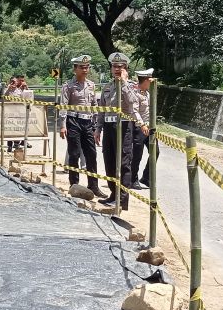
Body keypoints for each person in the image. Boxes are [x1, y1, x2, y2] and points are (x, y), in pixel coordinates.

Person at [98, 52, 142, 210]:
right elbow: (102, 110)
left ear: (126, 68)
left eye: (120, 66)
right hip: (109, 128)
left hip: (123, 127)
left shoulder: (130, 85)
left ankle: (122, 200)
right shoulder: (108, 87)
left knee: (123, 163)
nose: (117, 69)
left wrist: (123, 83)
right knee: (109, 162)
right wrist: (98, 129)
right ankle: (113, 193)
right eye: (114, 66)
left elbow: (132, 103)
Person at [59, 55, 107, 199]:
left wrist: (96, 125)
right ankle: (74, 185)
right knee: (74, 154)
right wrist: (62, 125)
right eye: (82, 67)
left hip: (87, 123)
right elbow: (63, 106)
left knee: (91, 154)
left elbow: (94, 105)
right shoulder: (68, 86)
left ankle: (93, 186)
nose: (85, 70)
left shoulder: (91, 85)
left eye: (87, 67)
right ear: (75, 69)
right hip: (73, 121)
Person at [131, 68, 154, 189]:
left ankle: (146, 177)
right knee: (137, 154)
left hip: (149, 127)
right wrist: (142, 124)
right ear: (145, 80)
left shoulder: (148, 93)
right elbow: (134, 111)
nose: (151, 82)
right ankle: (132, 179)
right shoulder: (135, 93)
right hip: (139, 127)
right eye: (150, 80)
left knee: (155, 152)